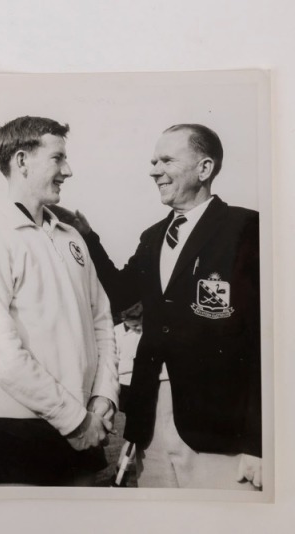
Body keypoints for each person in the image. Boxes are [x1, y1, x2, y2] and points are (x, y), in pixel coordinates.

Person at [61, 124, 262, 489]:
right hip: (148, 424)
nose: (154, 170)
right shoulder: (153, 237)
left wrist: (259, 443)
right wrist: (87, 238)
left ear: (204, 169)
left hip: (222, 434)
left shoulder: (248, 228)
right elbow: (121, 296)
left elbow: (268, 342)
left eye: (167, 159)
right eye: (154, 160)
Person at [0, 116, 118, 487]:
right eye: (58, 158)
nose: (69, 170)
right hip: (19, 434)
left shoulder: (71, 238)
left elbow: (102, 322)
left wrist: (103, 397)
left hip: (85, 424)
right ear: (21, 160)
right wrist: (74, 420)